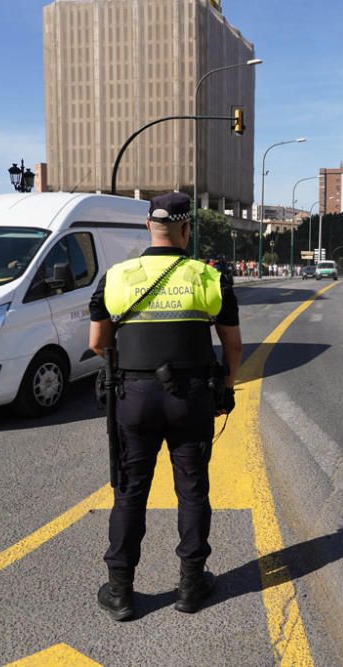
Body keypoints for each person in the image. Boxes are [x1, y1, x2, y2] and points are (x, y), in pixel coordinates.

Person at [88, 192, 242, 621]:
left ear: (148, 227)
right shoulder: (208, 277)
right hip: (191, 398)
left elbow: (97, 344)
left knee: (130, 491)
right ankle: (191, 587)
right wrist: (226, 386)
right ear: (186, 229)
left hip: (133, 399)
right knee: (192, 490)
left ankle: (120, 591)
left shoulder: (118, 277)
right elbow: (232, 344)